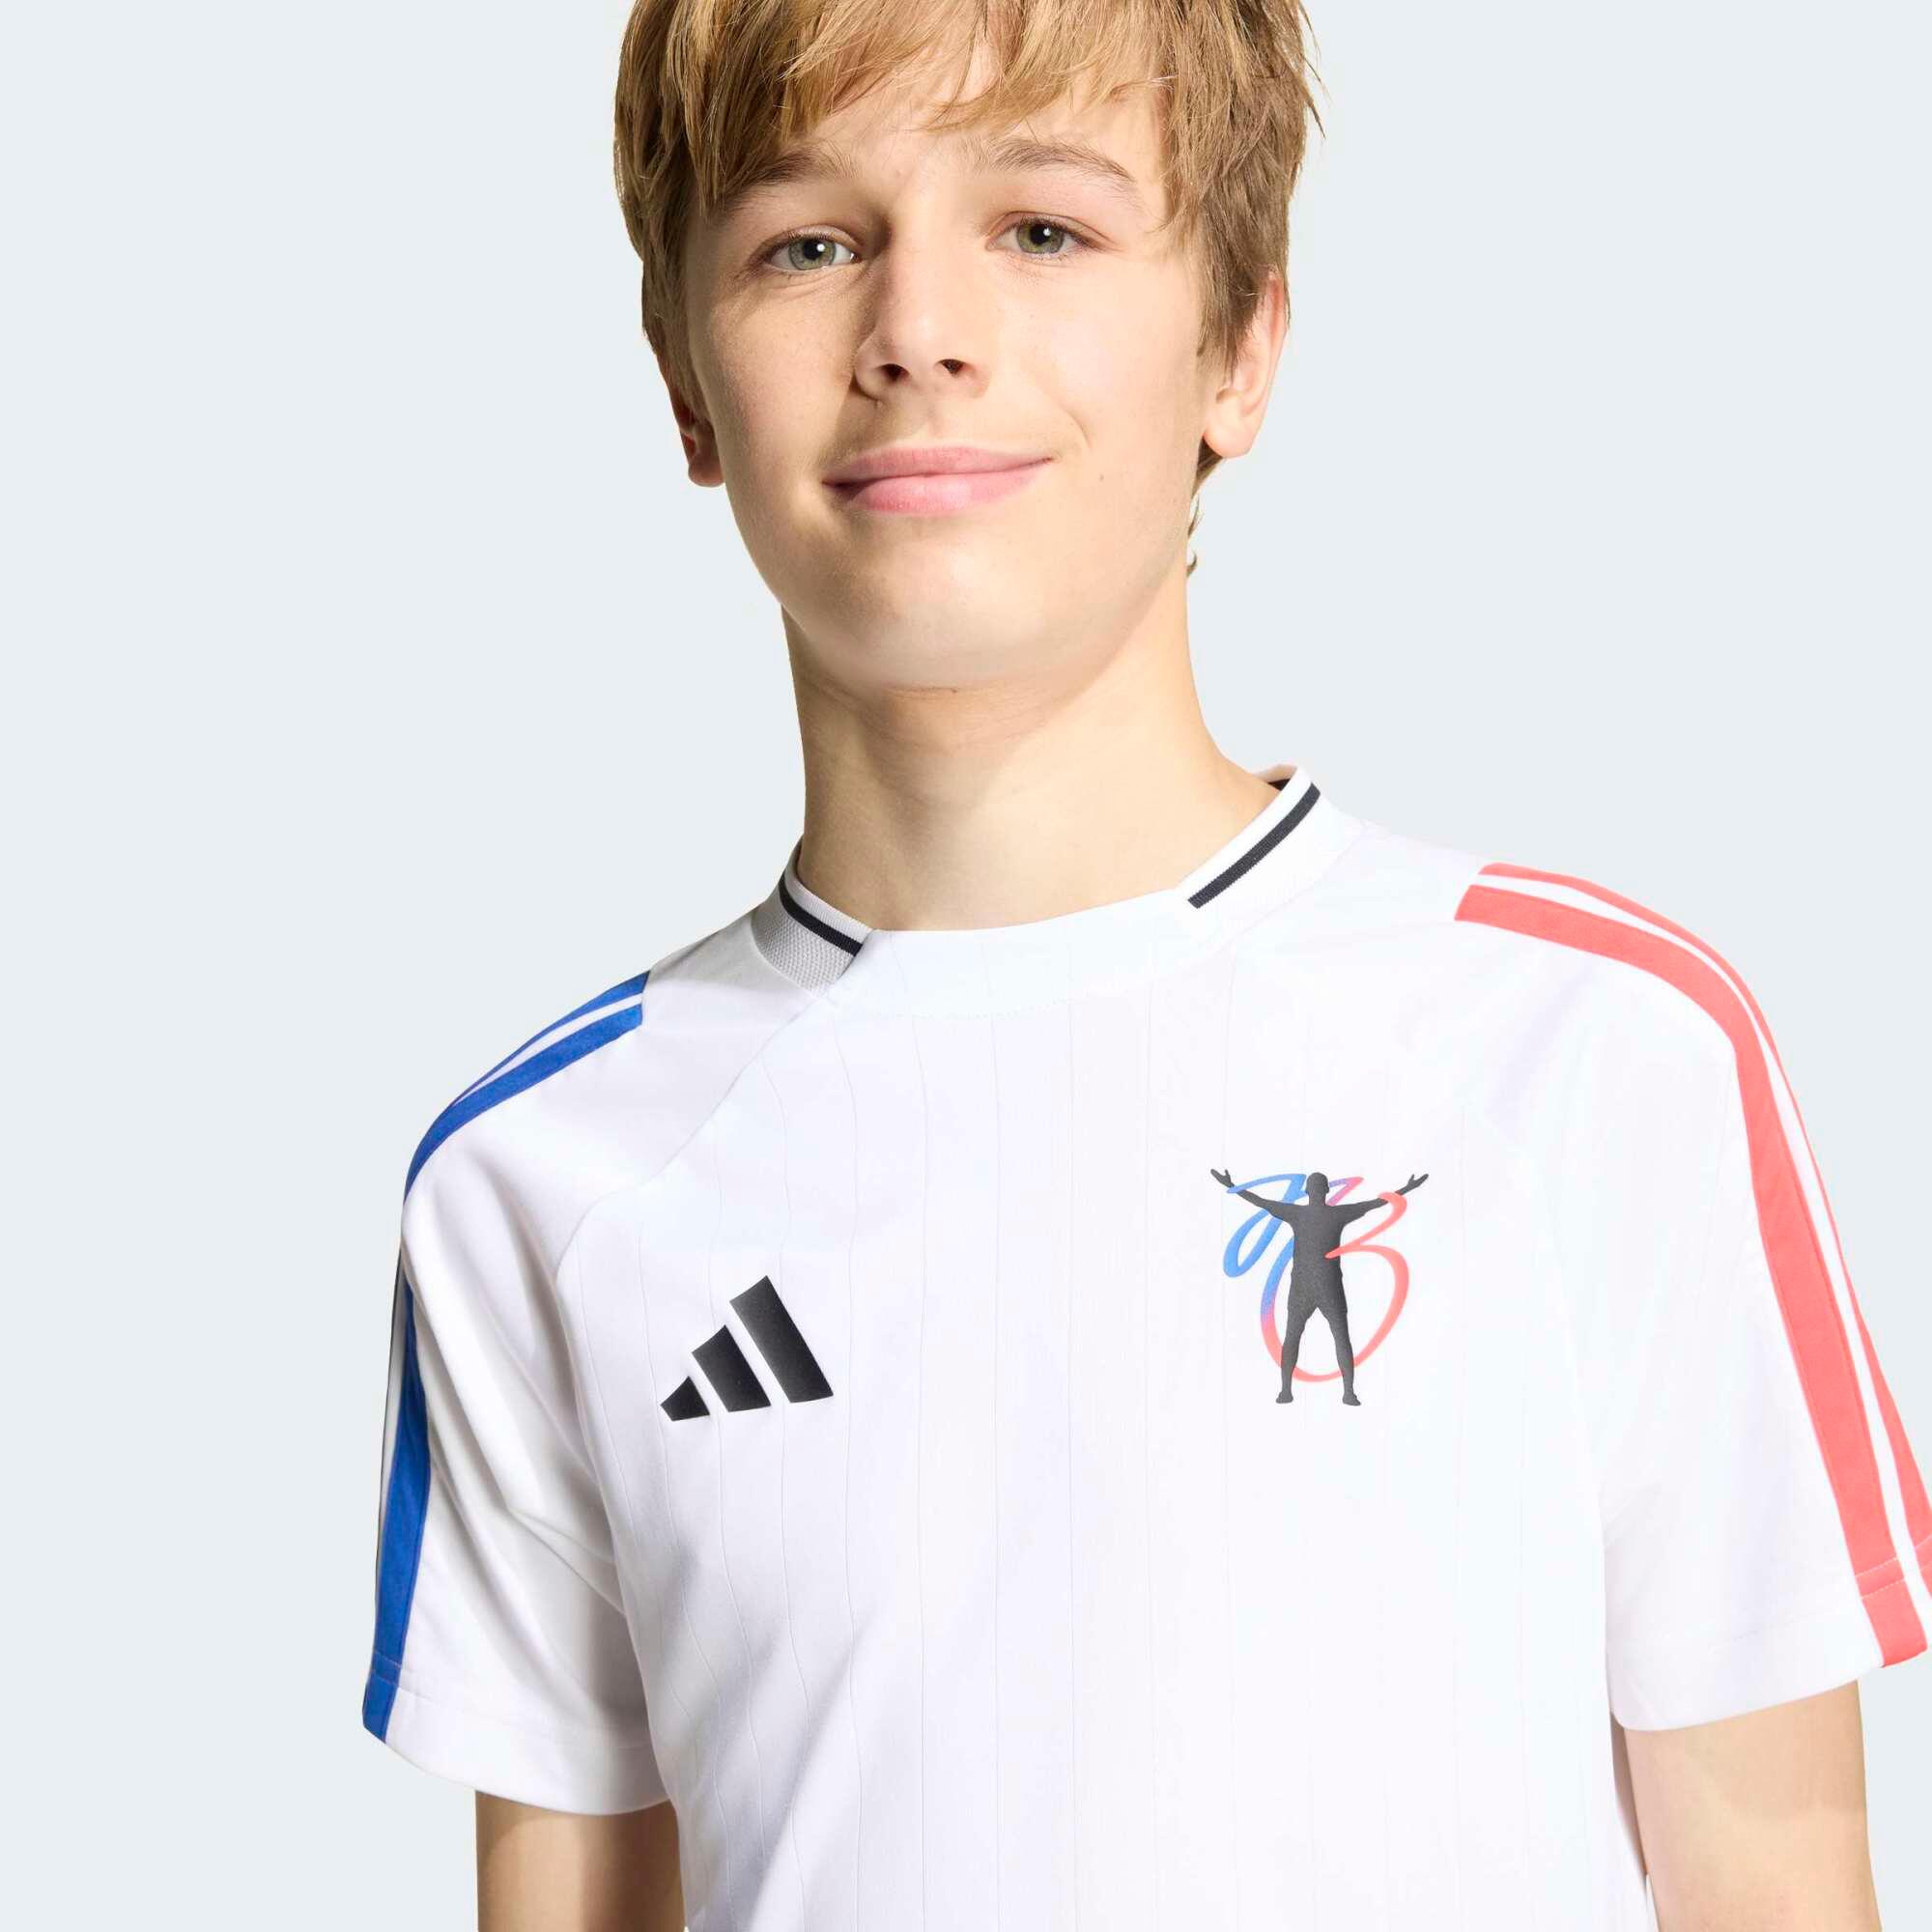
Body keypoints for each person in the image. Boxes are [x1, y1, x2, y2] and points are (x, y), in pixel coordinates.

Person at [359, 0, 1931, 1924]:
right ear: (686, 382)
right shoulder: (544, 1177)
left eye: (1043, 227)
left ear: (1240, 347)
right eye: (809, 241)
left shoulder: (1594, 1051)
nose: (919, 329)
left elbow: (1776, 1878)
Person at [1208, 1167, 1428, 1403]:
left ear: (1307, 1191)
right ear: (1326, 1191)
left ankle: (1286, 1391)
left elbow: (1262, 1202)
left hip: (1302, 1286)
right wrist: (1406, 1189)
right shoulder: (1337, 1214)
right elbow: (1376, 1203)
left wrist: (1232, 1186)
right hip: (1329, 1285)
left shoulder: (1296, 1213)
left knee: (1294, 1337)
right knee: (1340, 1337)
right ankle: (1348, 1392)